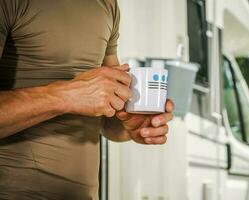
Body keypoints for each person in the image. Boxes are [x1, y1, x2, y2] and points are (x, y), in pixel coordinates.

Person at [0, 0, 174, 199]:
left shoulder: (108, 5)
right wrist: (66, 95)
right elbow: (81, 94)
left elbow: (106, 118)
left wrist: (130, 125)